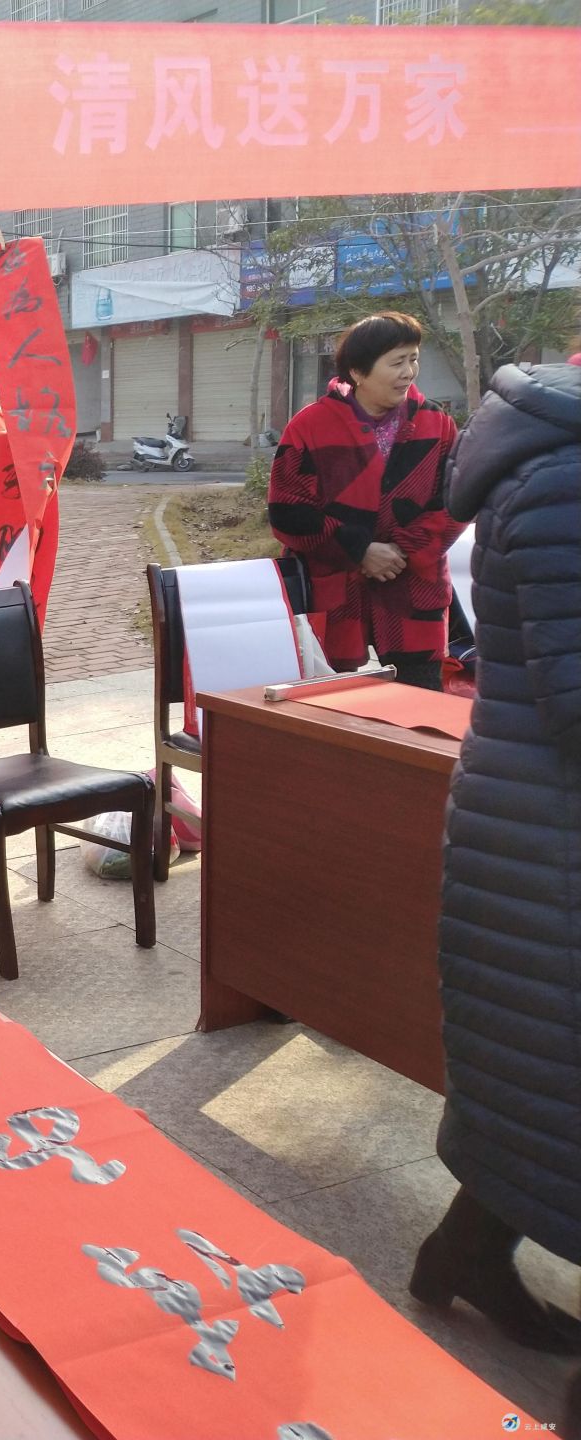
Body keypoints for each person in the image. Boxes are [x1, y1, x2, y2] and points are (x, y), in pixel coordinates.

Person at [410, 359, 581, 1403]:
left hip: (540, 829)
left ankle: (465, 1253)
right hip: (551, 841)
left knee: (541, 1078)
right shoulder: (565, 482)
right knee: (549, 1066)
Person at [267, 311, 463, 689]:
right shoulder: (311, 425)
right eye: (397, 362)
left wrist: (399, 551)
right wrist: (359, 550)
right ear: (358, 371)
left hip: (413, 588)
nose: (409, 372)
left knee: (419, 705)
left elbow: (455, 504)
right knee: (328, 704)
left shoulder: (436, 424)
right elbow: (288, 510)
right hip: (332, 591)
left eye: (413, 359)